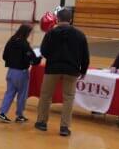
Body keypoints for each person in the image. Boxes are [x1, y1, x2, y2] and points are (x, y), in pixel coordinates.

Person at [35, 8, 89, 137]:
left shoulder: (50, 33)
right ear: (71, 20)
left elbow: (44, 51)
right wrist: (83, 70)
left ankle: (42, 122)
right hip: (72, 70)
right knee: (68, 98)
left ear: (57, 19)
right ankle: (64, 127)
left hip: (52, 68)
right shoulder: (80, 35)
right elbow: (85, 55)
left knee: (46, 96)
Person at [0, 23, 40, 123]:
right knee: (22, 95)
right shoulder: (25, 44)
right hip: (21, 73)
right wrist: (38, 56)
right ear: (27, 33)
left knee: (9, 93)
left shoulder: (11, 40)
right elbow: (32, 59)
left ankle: (2, 113)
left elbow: (4, 56)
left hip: (11, 71)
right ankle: (20, 115)